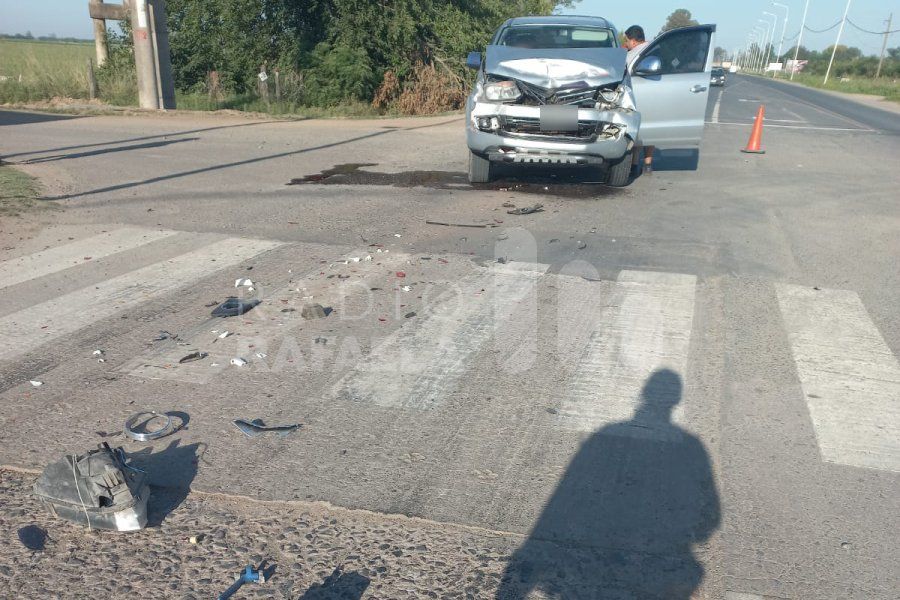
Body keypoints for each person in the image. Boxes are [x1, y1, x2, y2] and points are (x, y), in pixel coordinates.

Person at [623, 25, 655, 175]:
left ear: (634, 41)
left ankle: (634, 164)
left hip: (636, 94)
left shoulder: (631, 54)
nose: (627, 43)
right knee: (651, 129)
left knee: (635, 129)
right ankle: (648, 164)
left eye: (627, 40)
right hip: (656, 93)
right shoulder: (654, 48)